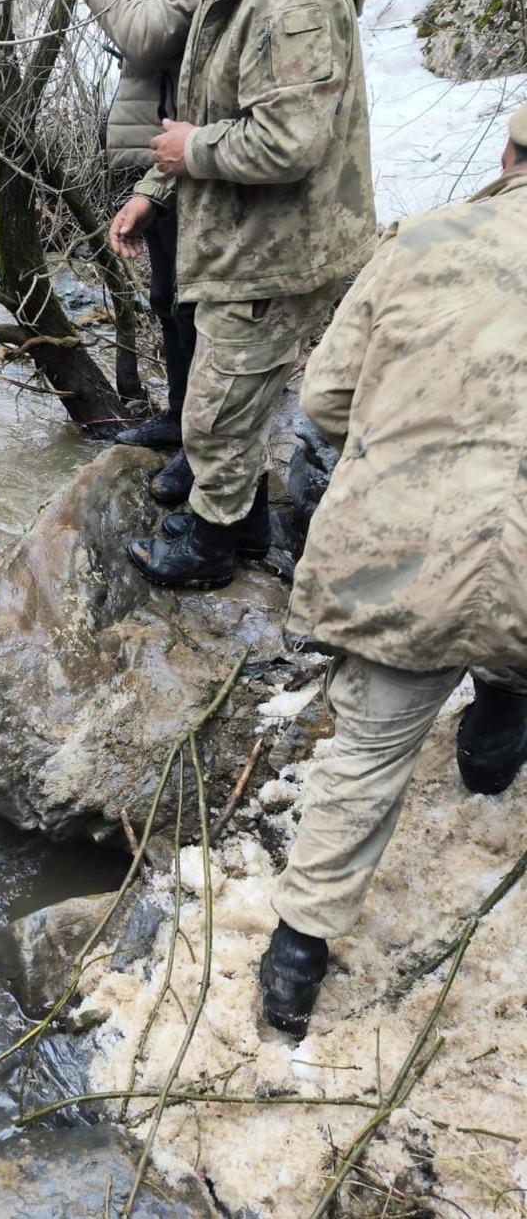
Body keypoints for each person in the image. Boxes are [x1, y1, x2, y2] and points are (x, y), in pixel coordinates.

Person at [259, 104, 527, 1040]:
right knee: (508, 633)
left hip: (401, 557)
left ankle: (294, 963)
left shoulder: (420, 241)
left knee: (366, 757)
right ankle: (499, 711)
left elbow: (324, 397)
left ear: (509, 152)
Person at [108, 0, 375, 589]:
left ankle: (212, 549)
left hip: (279, 250)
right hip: (251, 239)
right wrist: (155, 192)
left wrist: (188, 155)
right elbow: (207, 111)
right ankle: (248, 525)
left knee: (216, 408)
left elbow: (291, 141)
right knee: (233, 398)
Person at [53, 0, 211, 452]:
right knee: (169, 300)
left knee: (192, 309)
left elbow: (145, 37)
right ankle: (178, 419)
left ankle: (198, 442)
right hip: (164, 162)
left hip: (188, 156)